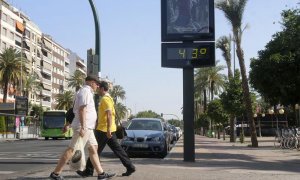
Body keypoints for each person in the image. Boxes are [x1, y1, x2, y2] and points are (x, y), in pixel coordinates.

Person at [50, 75, 115, 180]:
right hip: (83, 127)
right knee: (71, 149)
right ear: (91, 82)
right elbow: (81, 110)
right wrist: (83, 127)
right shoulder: (85, 92)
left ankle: (101, 174)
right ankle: (55, 173)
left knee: (94, 148)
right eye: (97, 84)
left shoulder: (86, 92)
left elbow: (74, 109)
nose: (97, 86)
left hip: (88, 127)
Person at [77, 81, 135, 177]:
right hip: (109, 129)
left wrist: (108, 130)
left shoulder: (105, 99)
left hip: (104, 130)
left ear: (102, 89)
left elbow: (109, 115)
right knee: (117, 150)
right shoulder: (109, 98)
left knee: (94, 150)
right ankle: (130, 167)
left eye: (99, 88)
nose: (97, 90)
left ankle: (88, 171)